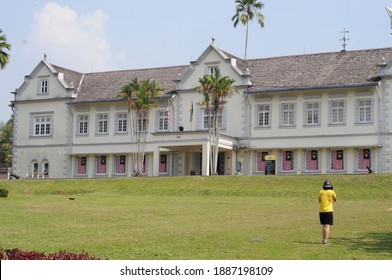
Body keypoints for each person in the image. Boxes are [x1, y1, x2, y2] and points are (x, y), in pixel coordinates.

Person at [319, 179, 337, 244]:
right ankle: (325, 240)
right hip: (328, 210)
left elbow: (319, 200)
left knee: (324, 226)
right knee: (327, 226)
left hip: (321, 210)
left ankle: (323, 239)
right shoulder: (332, 192)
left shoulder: (321, 192)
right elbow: (335, 199)